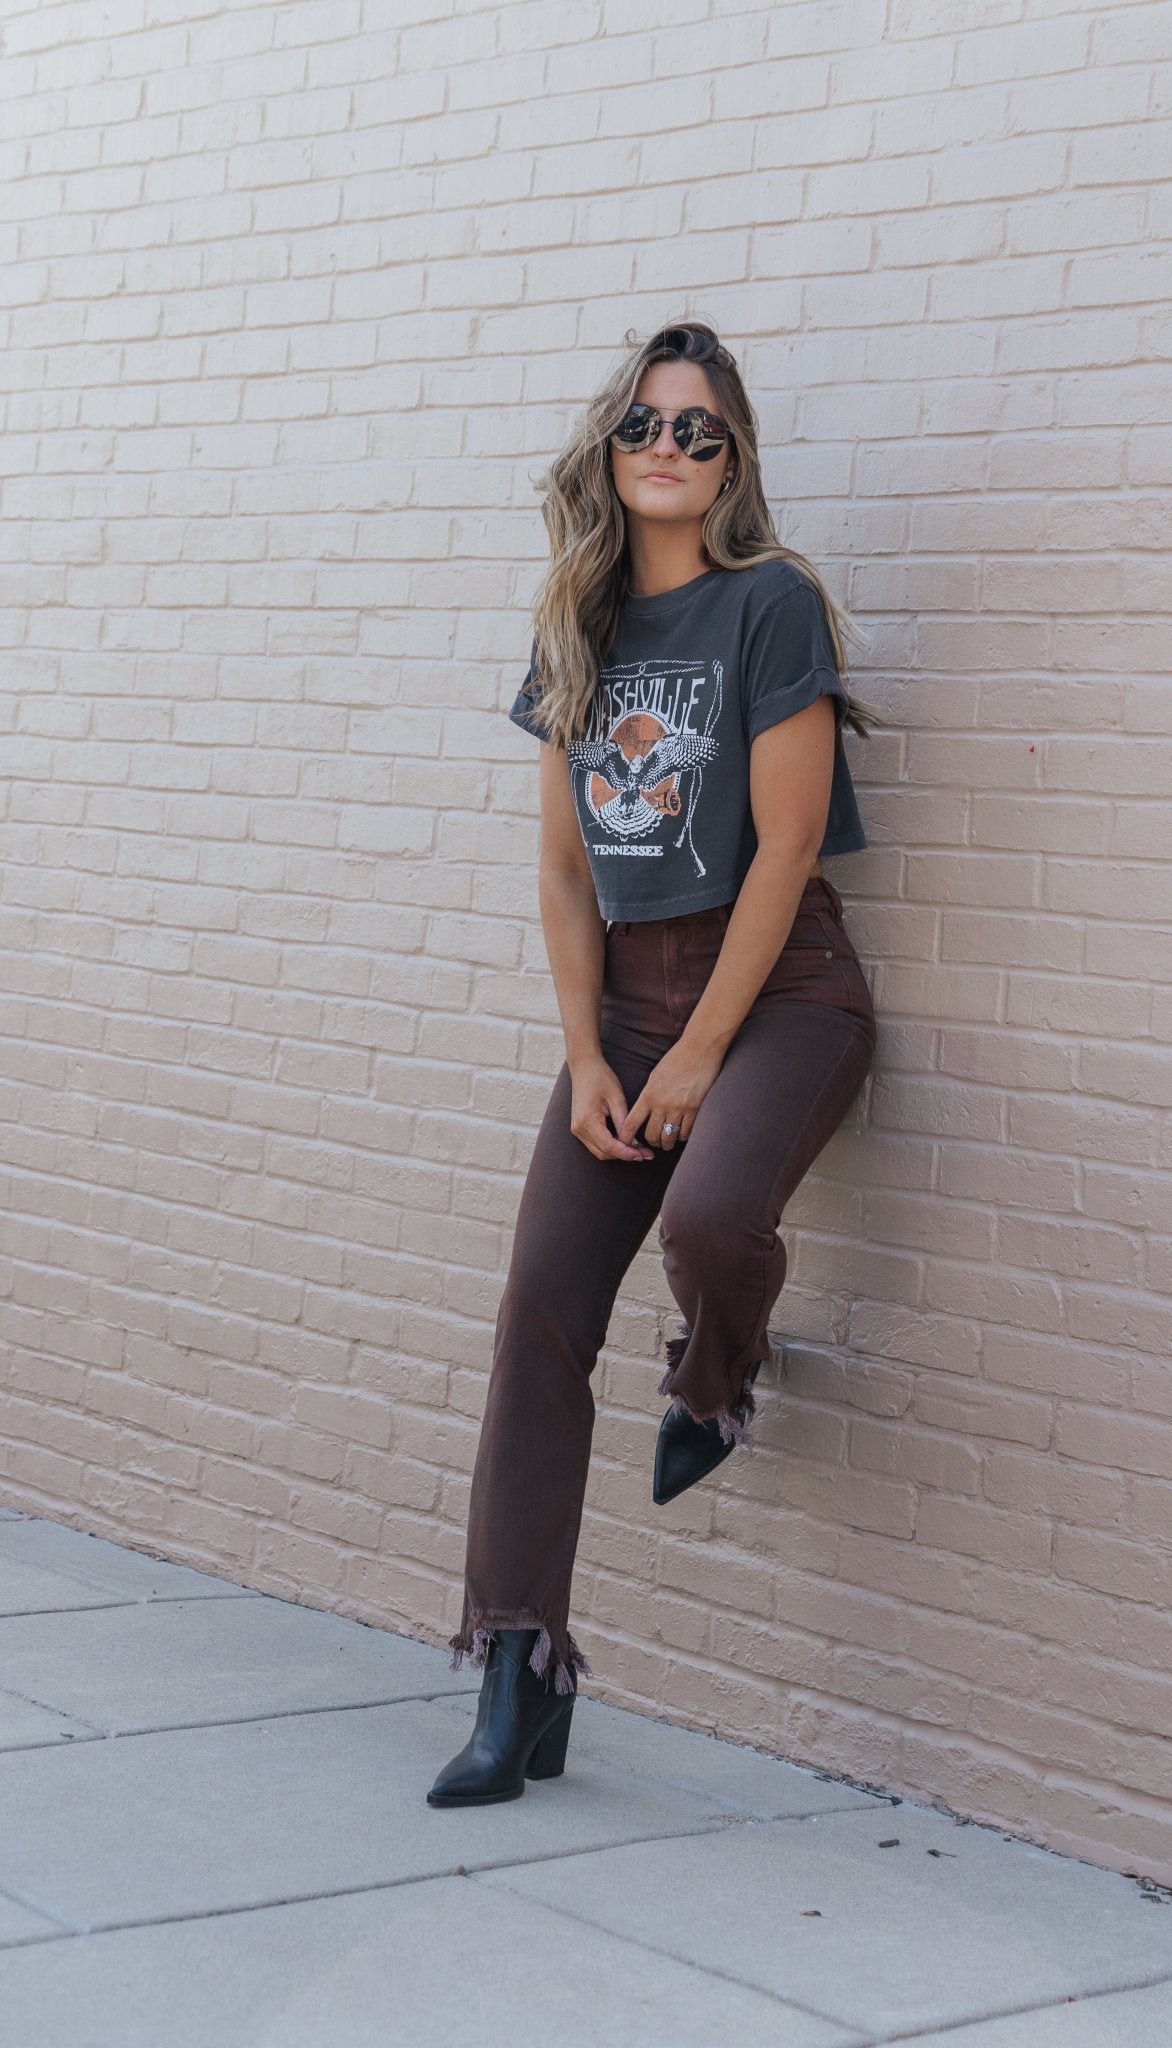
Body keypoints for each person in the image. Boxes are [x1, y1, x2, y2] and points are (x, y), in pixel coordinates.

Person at [428, 319, 879, 1808]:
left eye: (698, 428)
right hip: (621, 1008)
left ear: (731, 459)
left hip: (781, 992)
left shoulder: (771, 604)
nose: (667, 448)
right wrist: (589, 1056)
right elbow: (566, 872)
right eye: (643, 426)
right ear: (608, 454)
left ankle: (714, 1378)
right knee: (537, 1318)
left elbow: (789, 846)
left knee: (708, 1220)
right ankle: (517, 1672)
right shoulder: (577, 625)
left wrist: (697, 1051)